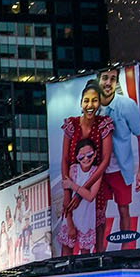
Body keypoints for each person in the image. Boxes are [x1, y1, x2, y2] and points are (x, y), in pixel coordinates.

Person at [58, 81, 113, 256]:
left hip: (95, 184)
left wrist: (82, 192)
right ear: (81, 102)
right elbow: (65, 159)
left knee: (95, 233)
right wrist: (69, 195)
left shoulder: (104, 124)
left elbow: (105, 160)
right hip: (73, 182)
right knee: (68, 235)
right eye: (86, 100)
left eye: (95, 100)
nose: (90, 105)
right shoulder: (71, 124)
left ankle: (98, 270)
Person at [97, 67, 140, 249]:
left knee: (124, 208)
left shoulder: (127, 105)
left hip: (120, 168)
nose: (108, 82)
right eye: (105, 78)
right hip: (99, 170)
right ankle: (98, 252)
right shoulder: (92, 106)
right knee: (98, 212)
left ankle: (127, 250)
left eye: (113, 79)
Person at [56, 138, 102, 255]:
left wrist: (73, 185)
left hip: (86, 218)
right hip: (71, 217)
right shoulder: (73, 169)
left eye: (89, 155)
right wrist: (70, 223)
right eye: (82, 156)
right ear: (77, 157)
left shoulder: (96, 172)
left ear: (95, 154)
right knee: (66, 252)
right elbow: (67, 199)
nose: (86, 159)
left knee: (85, 254)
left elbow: (91, 196)